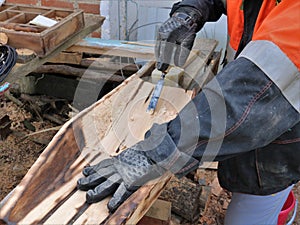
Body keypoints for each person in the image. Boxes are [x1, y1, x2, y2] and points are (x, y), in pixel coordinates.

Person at [77, 0, 300, 224]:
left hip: (283, 138)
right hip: (250, 113)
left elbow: (250, 93)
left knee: (248, 214)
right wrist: (190, 12)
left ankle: (279, 210)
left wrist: (154, 153)